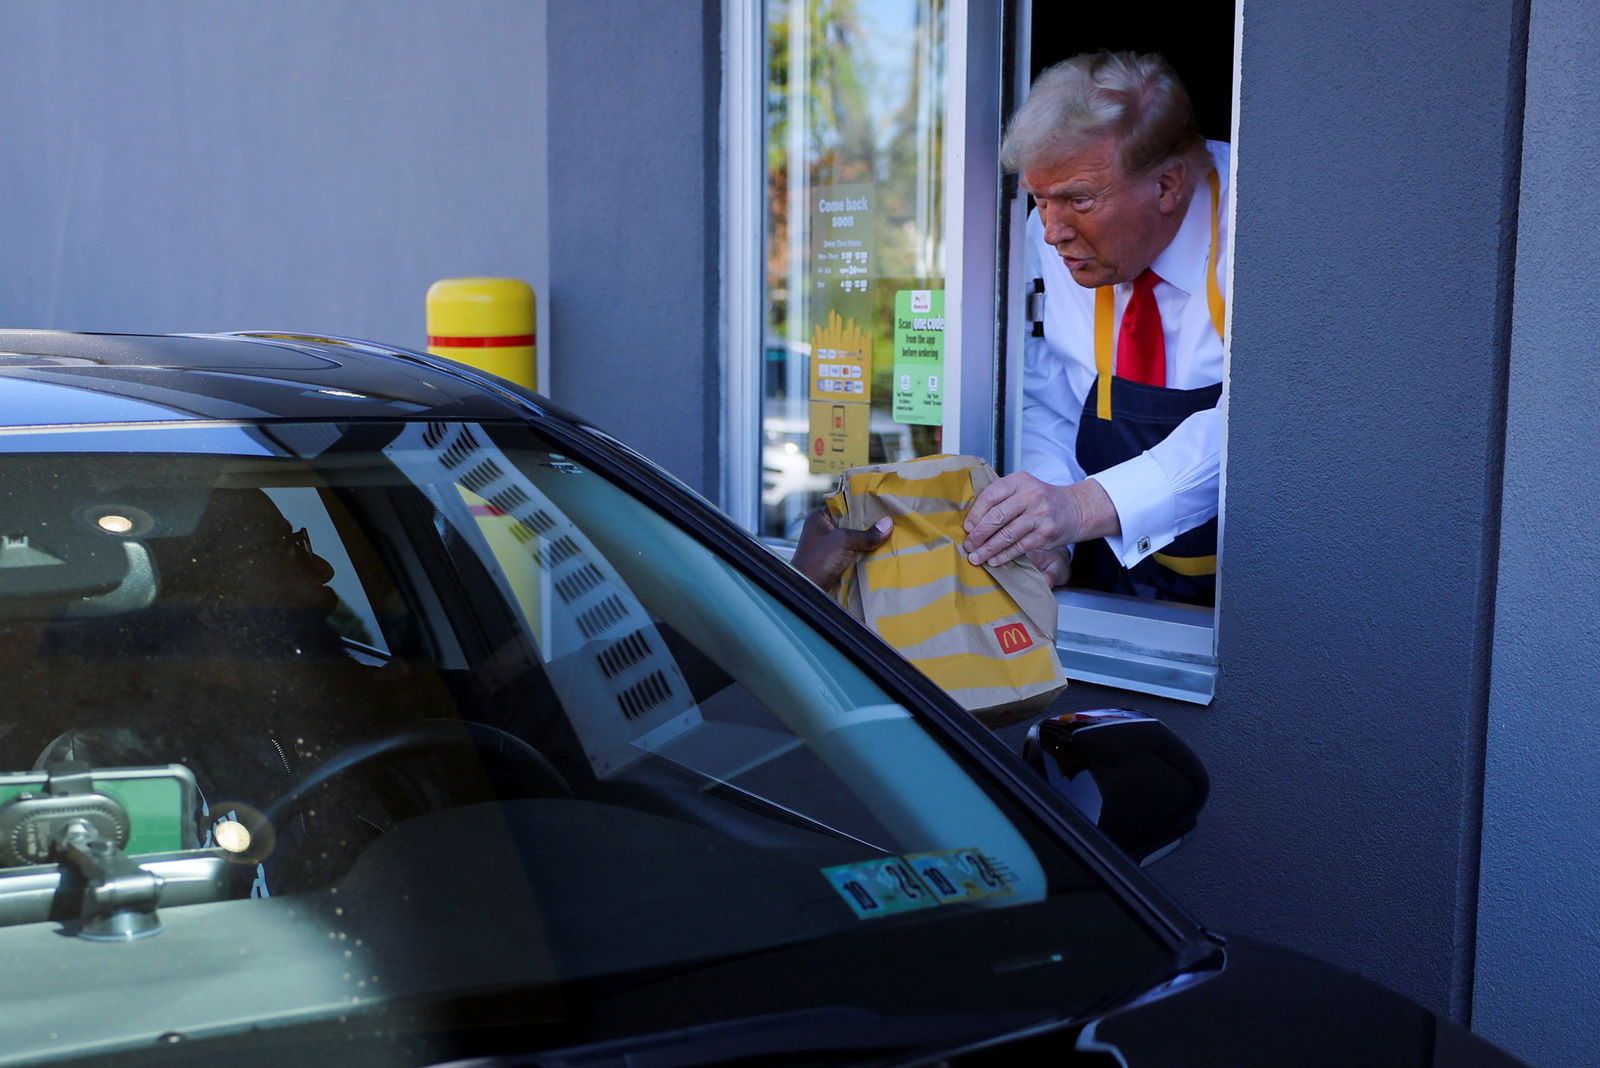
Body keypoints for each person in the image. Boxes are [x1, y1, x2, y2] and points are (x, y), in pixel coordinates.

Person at [962, 51, 1229, 607]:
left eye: (1079, 200)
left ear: (1168, 186)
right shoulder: (1050, 233)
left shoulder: (1262, 223)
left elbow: (1260, 432)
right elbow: (1055, 397)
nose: (1053, 232)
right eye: (1040, 198)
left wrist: (1080, 508)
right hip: (1113, 584)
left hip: (1256, 595)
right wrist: (1045, 526)